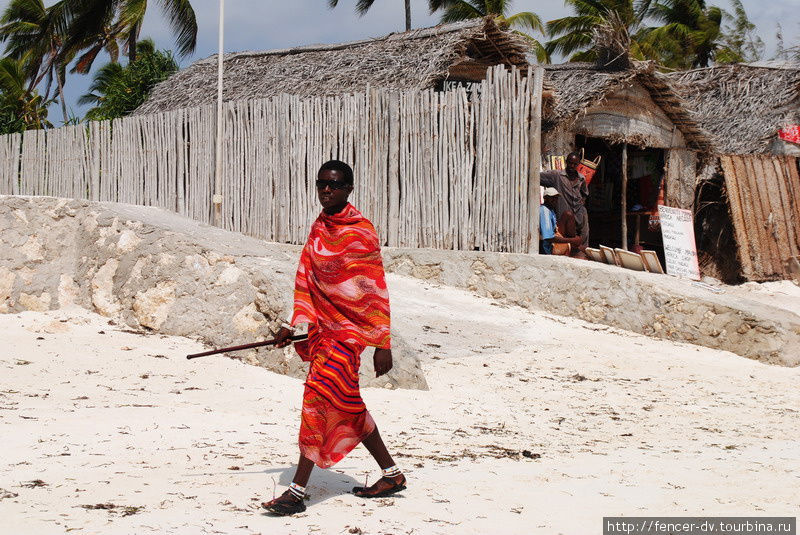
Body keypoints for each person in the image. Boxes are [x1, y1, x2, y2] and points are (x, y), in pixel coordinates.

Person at [261, 160, 406, 516]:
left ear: (349, 190)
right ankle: (392, 474)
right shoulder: (318, 228)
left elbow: (374, 292)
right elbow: (305, 281)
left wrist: (382, 344)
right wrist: (291, 325)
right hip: (322, 334)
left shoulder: (361, 231)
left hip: (349, 337)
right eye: (321, 184)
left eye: (335, 185)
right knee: (349, 407)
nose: (327, 190)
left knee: (316, 403)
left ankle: (296, 492)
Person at [540, 151, 590, 253]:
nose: (572, 166)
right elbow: (535, 177)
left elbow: (585, 193)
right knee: (573, 244)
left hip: (579, 215)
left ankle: (582, 252)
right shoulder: (557, 175)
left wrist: (581, 202)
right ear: (566, 162)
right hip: (564, 218)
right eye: (570, 163)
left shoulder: (581, 178)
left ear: (578, 164)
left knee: (583, 239)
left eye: (575, 164)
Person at [540, 187, 582, 256]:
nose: (555, 200)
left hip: (553, 238)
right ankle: (574, 246)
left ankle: (575, 246)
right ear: (545, 198)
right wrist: (572, 240)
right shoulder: (544, 211)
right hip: (548, 248)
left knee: (568, 214)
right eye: (552, 198)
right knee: (580, 248)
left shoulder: (550, 209)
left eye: (556, 198)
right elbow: (549, 238)